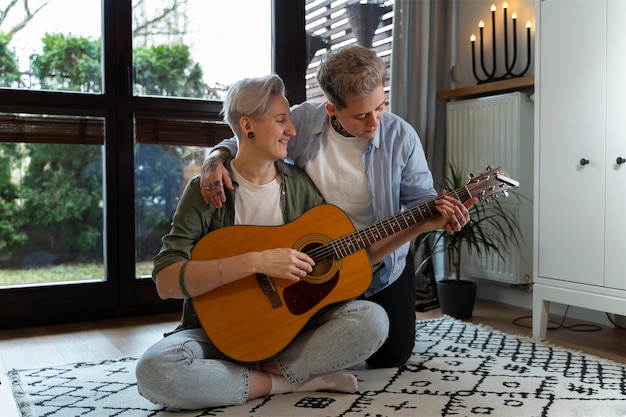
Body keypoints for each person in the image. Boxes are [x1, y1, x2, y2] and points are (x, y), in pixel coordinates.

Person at [199, 45, 477, 369]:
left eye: (381, 106)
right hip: (312, 262)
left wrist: (444, 215)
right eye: (361, 115)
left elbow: (422, 203)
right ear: (331, 110)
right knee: (283, 331)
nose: (375, 122)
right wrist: (213, 160)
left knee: (392, 357)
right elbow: (240, 141)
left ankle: (303, 353)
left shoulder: (402, 137)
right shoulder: (302, 121)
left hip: (382, 262)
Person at [135, 74, 391, 410]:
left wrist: (424, 222)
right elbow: (166, 282)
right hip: (217, 334)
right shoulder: (206, 191)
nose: (292, 130)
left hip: (289, 333)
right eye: (281, 120)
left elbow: (344, 256)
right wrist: (257, 262)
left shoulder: (299, 186)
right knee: (154, 370)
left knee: (373, 320)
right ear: (247, 126)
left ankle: (254, 378)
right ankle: (287, 382)